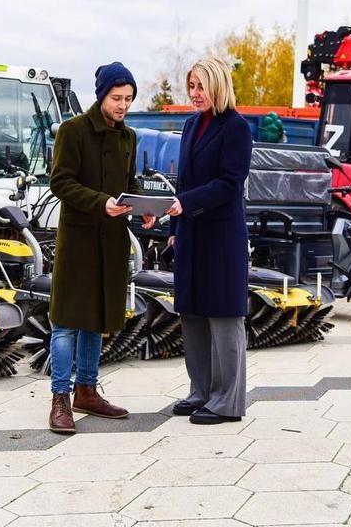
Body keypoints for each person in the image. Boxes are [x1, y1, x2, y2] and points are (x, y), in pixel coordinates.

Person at [46, 61, 155, 434]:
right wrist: (101, 203)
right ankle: (60, 398)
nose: (123, 105)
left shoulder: (129, 137)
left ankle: (87, 391)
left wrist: (142, 208)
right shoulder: (72, 131)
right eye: (117, 98)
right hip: (78, 239)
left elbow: (129, 182)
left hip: (111, 240)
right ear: (101, 96)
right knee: (66, 322)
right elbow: (60, 182)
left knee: (95, 318)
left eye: (128, 98)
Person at [163, 56, 252, 425]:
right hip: (190, 234)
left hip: (221, 237)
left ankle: (226, 401)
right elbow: (184, 182)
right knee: (193, 314)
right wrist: (173, 231)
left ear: (218, 85)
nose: (195, 94)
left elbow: (229, 184)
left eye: (201, 86)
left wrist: (186, 204)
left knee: (223, 317)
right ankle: (200, 391)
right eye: (192, 87)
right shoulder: (190, 125)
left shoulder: (236, 128)